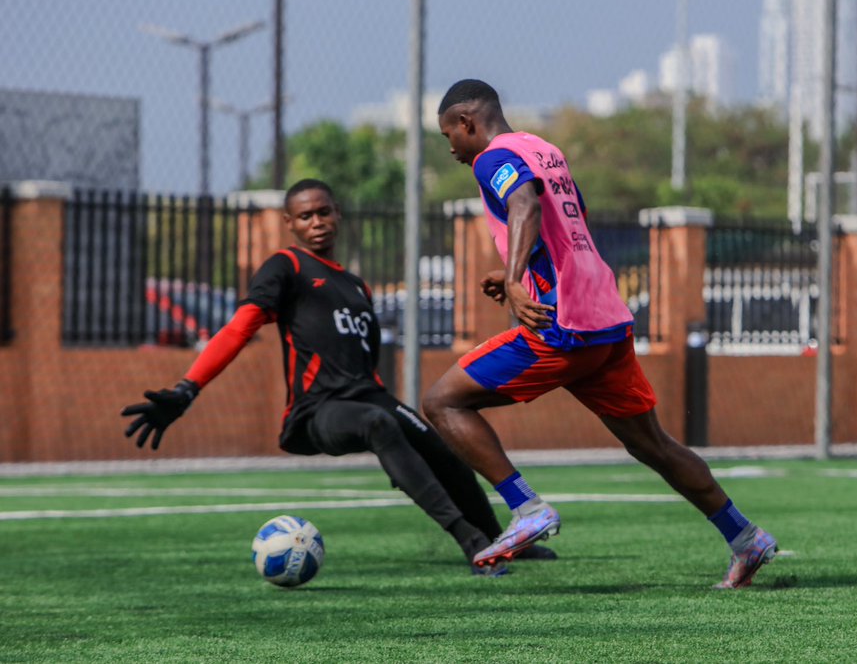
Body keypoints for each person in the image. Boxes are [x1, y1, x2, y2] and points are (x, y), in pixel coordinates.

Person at [421, 79, 777, 589]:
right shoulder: (545, 150)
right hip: (606, 320)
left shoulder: (491, 158)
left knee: (441, 403)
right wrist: (516, 270)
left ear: (468, 123)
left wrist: (519, 279)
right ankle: (746, 538)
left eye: (448, 134)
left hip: (561, 325)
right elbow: (570, 224)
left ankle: (526, 509)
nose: (451, 147)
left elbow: (523, 203)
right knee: (654, 445)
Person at [120, 178, 555, 576]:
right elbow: (239, 328)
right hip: (318, 411)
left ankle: (503, 540)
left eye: (324, 212)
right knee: (378, 423)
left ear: (337, 215)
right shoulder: (286, 266)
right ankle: (471, 542)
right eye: (306, 216)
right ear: (290, 223)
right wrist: (186, 388)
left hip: (371, 397)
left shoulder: (356, 286)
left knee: (445, 447)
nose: (317, 222)